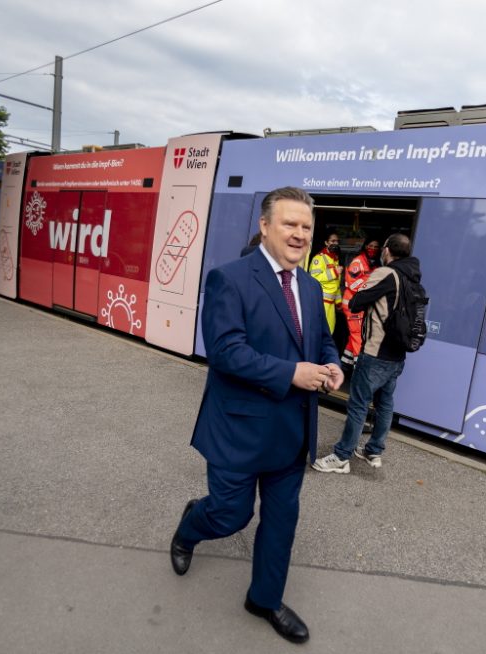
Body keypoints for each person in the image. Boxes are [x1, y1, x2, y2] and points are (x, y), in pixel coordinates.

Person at [170, 187, 343, 644]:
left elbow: (322, 339)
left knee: (282, 522)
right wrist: (293, 373)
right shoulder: (230, 278)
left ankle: (264, 599)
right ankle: (191, 527)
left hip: (291, 432)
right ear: (265, 226)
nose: (300, 234)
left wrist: (332, 364)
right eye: (290, 224)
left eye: (307, 227)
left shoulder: (309, 284)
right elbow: (226, 353)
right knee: (230, 516)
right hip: (238, 431)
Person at [312, 233, 421, 473]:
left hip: (376, 351)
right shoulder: (412, 277)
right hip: (397, 355)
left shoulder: (385, 273)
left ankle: (341, 457)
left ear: (387, 250)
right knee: (385, 404)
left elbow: (356, 302)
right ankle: (374, 452)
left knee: (358, 404)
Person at [340, 238, 380, 368]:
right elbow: (352, 283)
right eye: (371, 245)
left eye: (376, 246)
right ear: (365, 246)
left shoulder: (375, 263)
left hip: (361, 303)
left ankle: (345, 363)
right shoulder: (358, 262)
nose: (373, 248)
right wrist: (369, 287)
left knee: (355, 333)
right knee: (358, 335)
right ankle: (359, 366)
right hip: (352, 304)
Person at [308, 230, 343, 333]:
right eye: (332, 241)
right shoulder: (319, 258)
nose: (335, 243)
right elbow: (314, 278)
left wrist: (338, 302)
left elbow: (335, 284)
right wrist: (335, 272)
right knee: (319, 333)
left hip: (331, 304)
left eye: (337, 241)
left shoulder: (335, 259)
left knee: (329, 332)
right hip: (320, 303)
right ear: (326, 242)